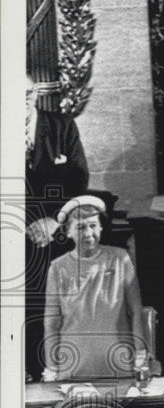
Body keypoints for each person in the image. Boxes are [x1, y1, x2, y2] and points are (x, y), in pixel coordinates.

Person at [25, 75, 90, 380]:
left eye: (27, 93)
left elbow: (78, 181)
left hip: (57, 238)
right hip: (16, 241)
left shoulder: (62, 127)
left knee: (57, 311)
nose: (22, 100)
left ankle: (59, 372)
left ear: (36, 93)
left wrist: (54, 220)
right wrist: (26, 226)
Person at [42, 195, 148, 380]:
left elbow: (136, 311)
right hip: (73, 366)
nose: (88, 233)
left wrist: (140, 355)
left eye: (93, 226)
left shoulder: (121, 258)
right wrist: (52, 367)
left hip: (118, 363)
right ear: (68, 232)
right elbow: (51, 323)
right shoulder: (57, 268)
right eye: (81, 227)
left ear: (100, 227)